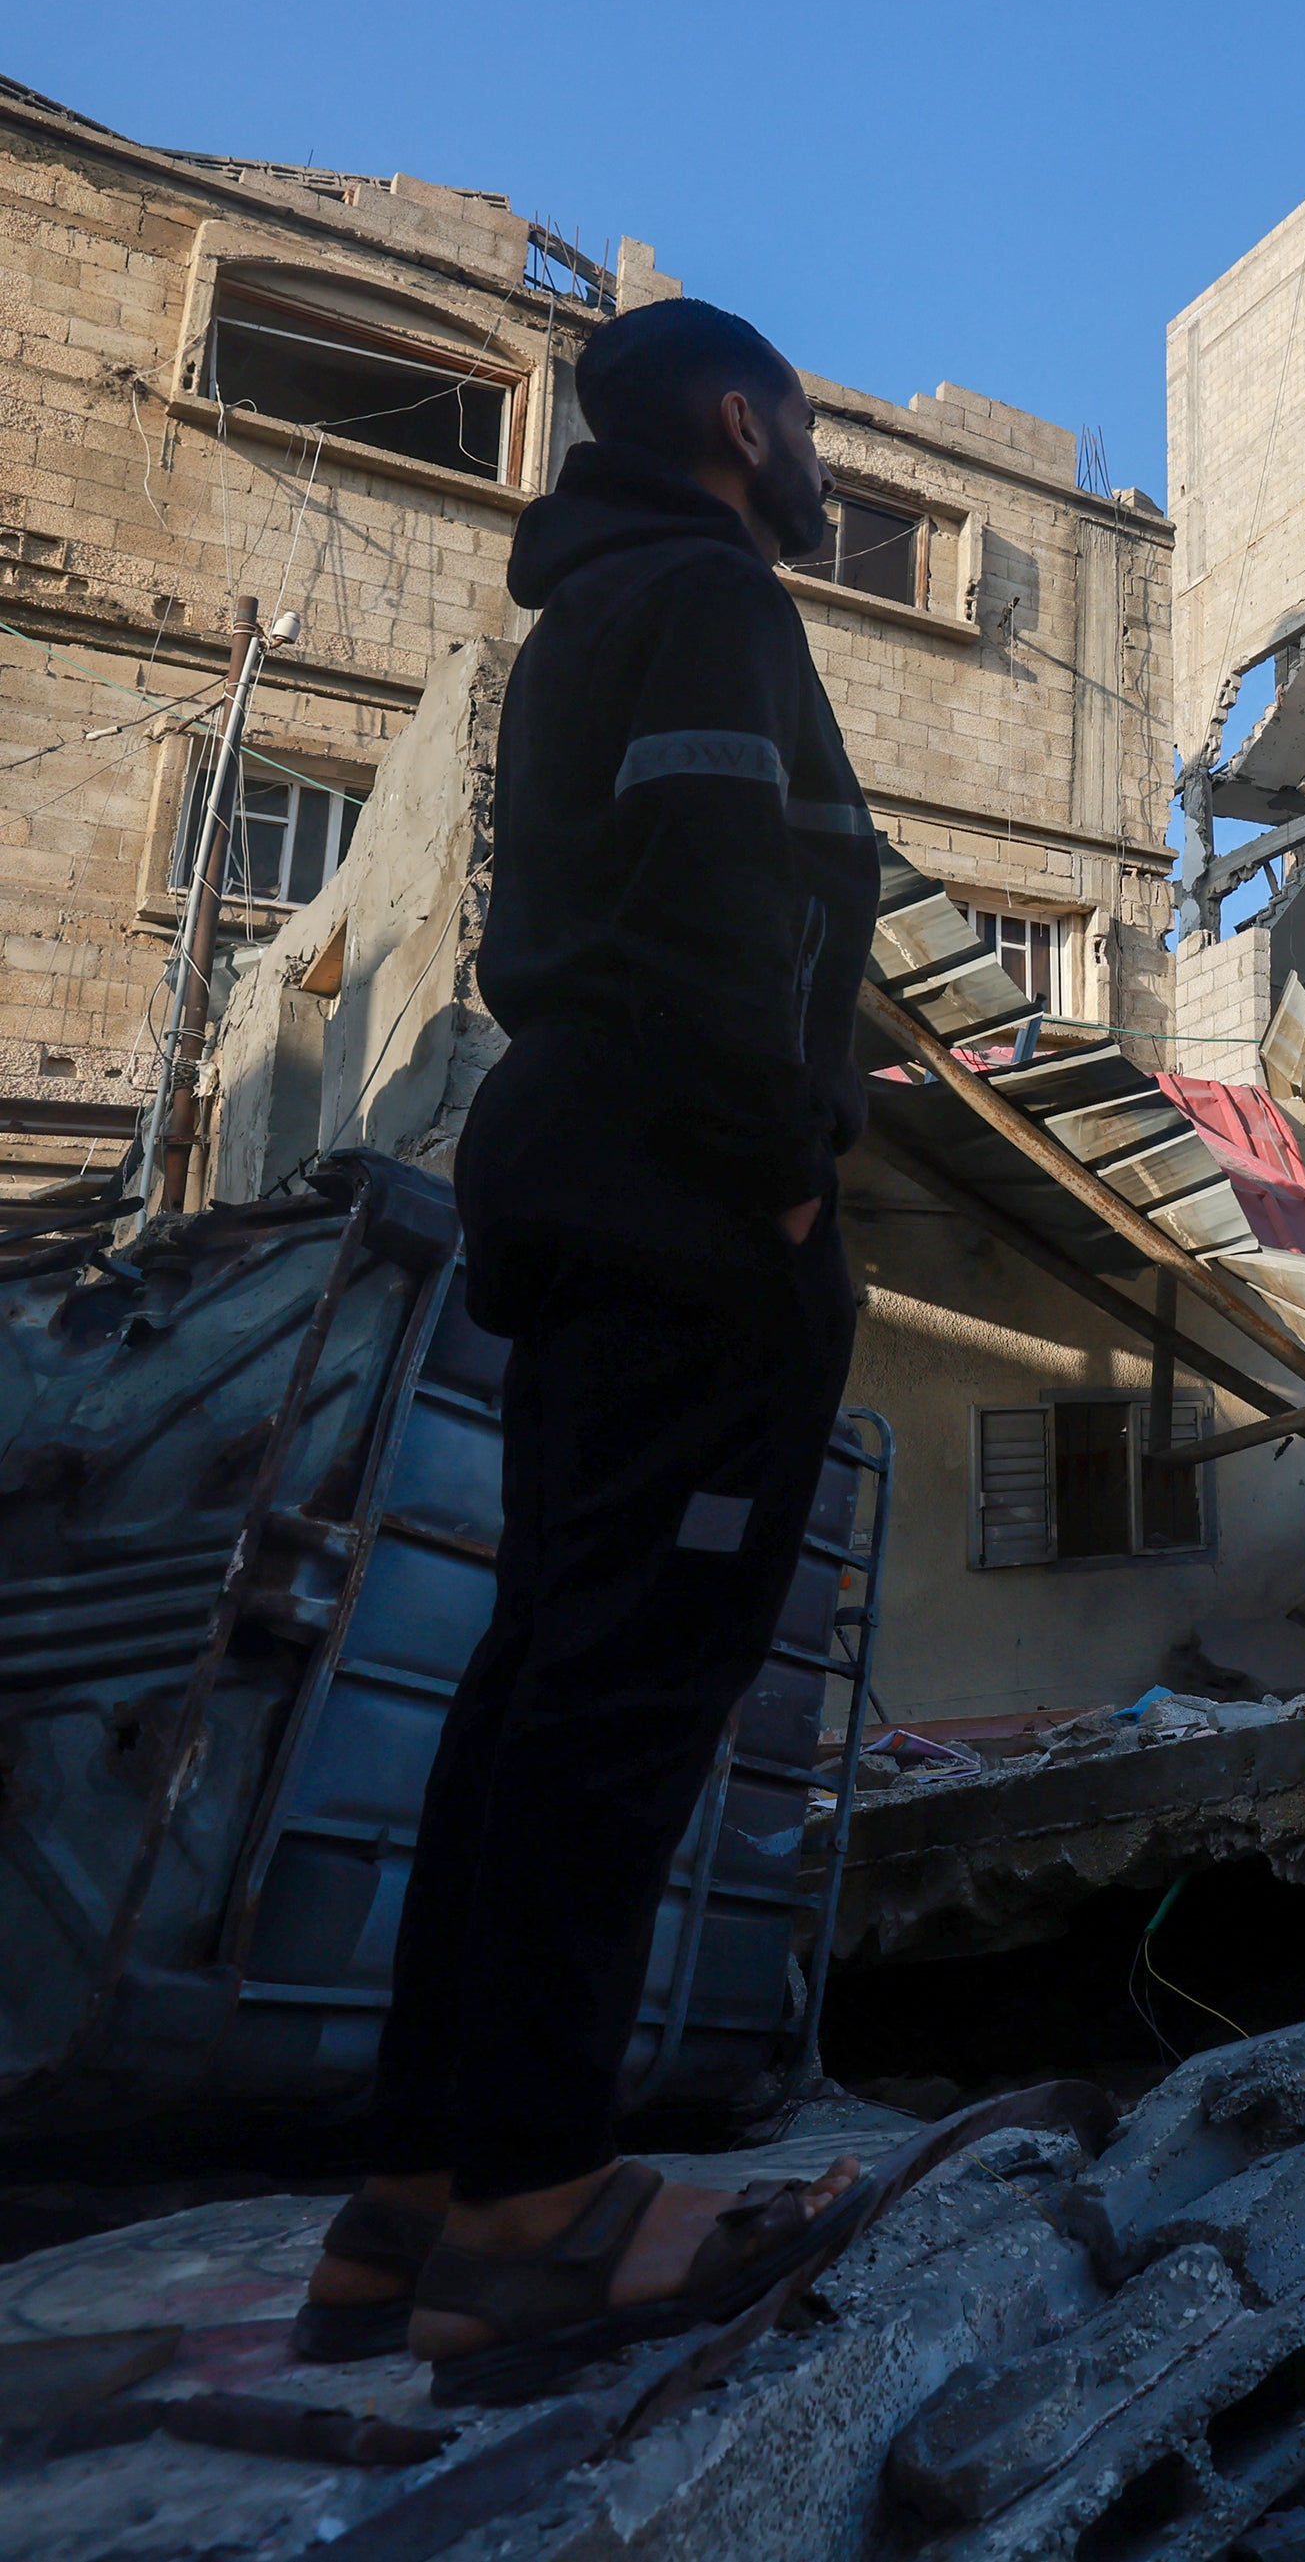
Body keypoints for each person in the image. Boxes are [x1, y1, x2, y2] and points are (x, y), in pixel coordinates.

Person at [295, 299, 888, 2402]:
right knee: (628, 1688)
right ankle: (540, 2213)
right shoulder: (711, 595)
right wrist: (785, 1168)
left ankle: (419, 2197)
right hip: (687, 1190)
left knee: (544, 1665)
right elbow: (731, 890)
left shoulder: (594, 610)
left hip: (585, 1170)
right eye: (806, 427)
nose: (814, 465)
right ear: (741, 423)